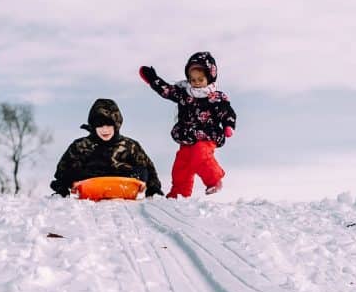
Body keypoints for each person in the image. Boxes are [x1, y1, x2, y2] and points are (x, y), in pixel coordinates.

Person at [138, 51, 237, 198]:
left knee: (200, 155)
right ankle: (179, 194)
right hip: (187, 137)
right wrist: (153, 79)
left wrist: (228, 126)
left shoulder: (216, 98)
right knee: (181, 166)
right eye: (192, 79)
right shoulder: (184, 93)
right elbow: (166, 90)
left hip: (207, 136)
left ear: (209, 77)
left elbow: (227, 112)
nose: (196, 82)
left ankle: (214, 180)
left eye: (200, 79)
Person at [50, 98, 163, 197]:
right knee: (74, 169)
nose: (105, 130)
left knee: (141, 170)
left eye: (109, 125)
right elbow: (63, 170)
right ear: (93, 126)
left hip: (124, 185)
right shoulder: (81, 145)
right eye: (100, 125)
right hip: (90, 185)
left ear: (116, 125)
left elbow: (149, 168)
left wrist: (154, 189)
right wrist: (62, 188)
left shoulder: (129, 145)